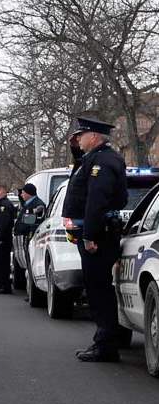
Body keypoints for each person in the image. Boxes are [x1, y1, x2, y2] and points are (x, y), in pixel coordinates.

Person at [63, 116, 128, 363]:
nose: (78, 139)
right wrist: (74, 148)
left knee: (99, 289)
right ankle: (108, 338)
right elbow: (81, 168)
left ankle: (106, 345)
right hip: (96, 233)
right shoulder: (93, 159)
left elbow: (96, 200)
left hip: (99, 236)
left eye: (81, 136)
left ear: (95, 137)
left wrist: (89, 235)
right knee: (98, 288)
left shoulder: (104, 161)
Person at [0, 184, 17, 294]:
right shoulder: (0, 204)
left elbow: (2, 224)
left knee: (2, 263)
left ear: (1, 191)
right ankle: (2, 284)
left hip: (3, 239)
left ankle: (4, 286)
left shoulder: (4, 205)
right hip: (0, 238)